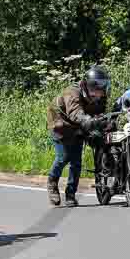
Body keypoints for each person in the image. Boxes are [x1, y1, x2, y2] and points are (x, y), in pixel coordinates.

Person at [45, 65, 111, 207]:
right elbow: (75, 113)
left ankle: (70, 194)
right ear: (87, 86)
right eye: (96, 90)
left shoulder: (101, 96)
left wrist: (104, 122)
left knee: (76, 161)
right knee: (63, 157)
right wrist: (88, 121)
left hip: (80, 126)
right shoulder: (72, 92)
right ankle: (52, 182)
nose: (99, 93)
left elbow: (101, 112)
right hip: (60, 125)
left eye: (102, 89)